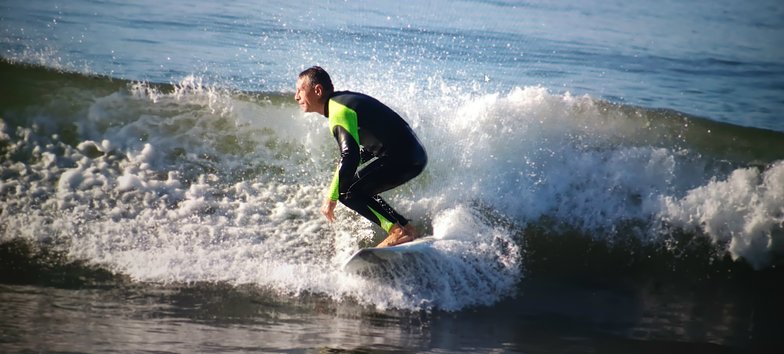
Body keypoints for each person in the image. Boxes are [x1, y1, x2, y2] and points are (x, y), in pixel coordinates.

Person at [294, 66, 427, 247]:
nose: (296, 97)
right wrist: (341, 170)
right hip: (413, 155)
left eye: (300, 90)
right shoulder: (344, 101)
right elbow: (364, 150)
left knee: (348, 192)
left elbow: (350, 156)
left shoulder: (337, 110)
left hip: (402, 157)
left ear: (317, 90)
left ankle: (397, 231)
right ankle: (407, 228)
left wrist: (331, 198)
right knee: (357, 187)